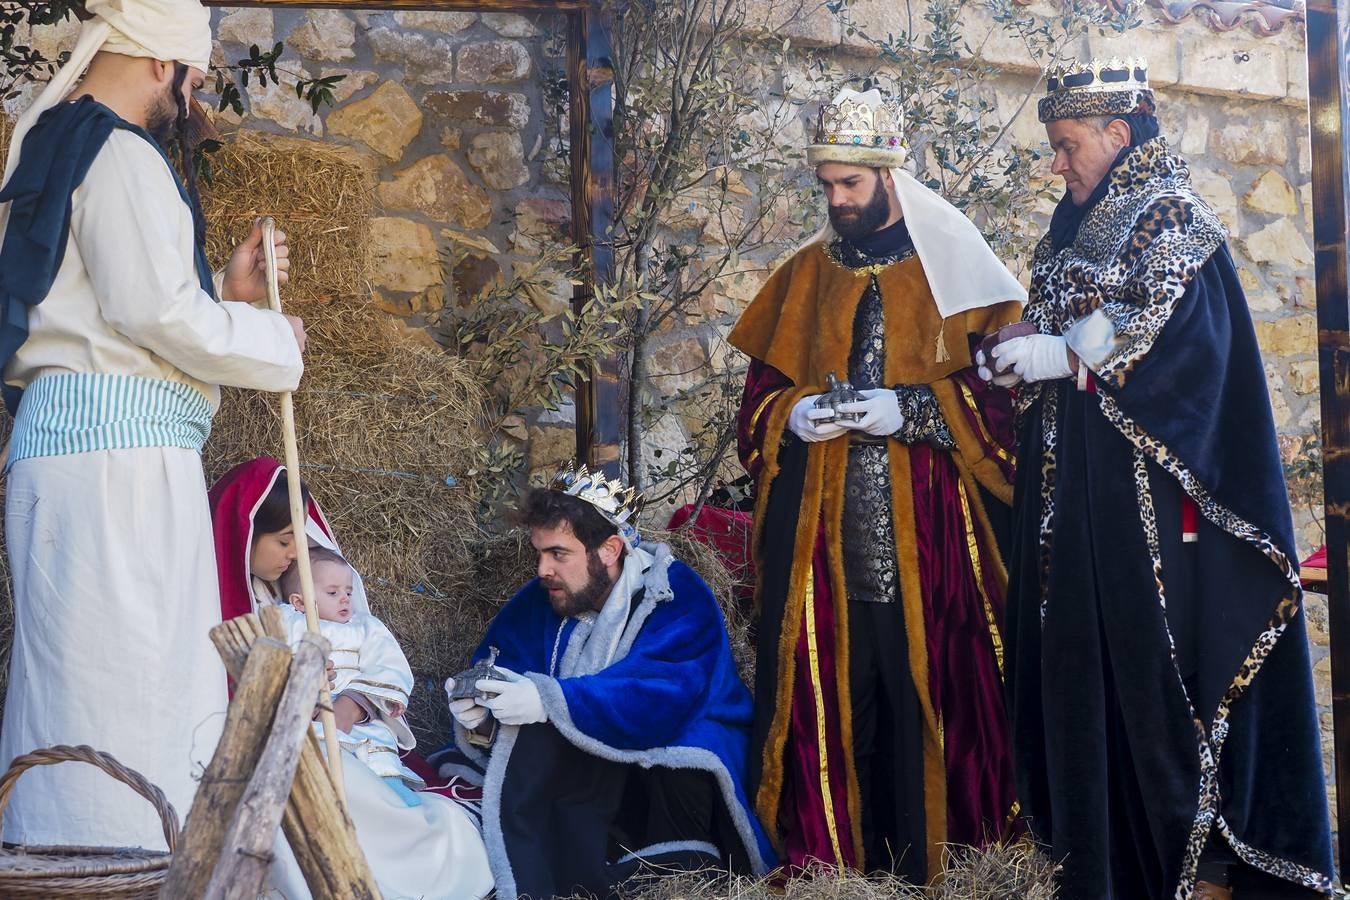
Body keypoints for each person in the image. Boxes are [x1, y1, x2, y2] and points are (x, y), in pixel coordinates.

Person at [990, 57, 1336, 898]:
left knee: (1150, 686)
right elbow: (1061, 324)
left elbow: (1179, 349)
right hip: (1070, 512)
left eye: (1069, 145)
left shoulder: (1175, 219)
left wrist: (1067, 353)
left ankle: (1180, 861)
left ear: (1119, 132)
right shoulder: (1072, 224)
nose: (1059, 162)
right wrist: (1019, 358)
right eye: (1054, 146)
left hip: (1147, 519)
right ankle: (1093, 860)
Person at [0, 0, 308, 848]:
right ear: (157, 64)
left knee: (76, 685)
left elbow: (101, 308)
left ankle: (63, 860)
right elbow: (151, 312)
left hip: (77, 454)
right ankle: (117, 863)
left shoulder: (58, 142)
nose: (191, 96)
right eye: (192, 79)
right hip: (117, 464)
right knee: (125, 689)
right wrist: (272, 336)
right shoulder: (123, 153)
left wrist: (223, 289)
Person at [728, 87, 1026, 879]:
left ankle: (951, 873)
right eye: (826, 185)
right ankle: (839, 874)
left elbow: (1012, 409)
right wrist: (794, 416)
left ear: (891, 178)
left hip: (933, 546)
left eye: (849, 185)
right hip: (823, 548)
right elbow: (755, 404)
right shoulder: (803, 275)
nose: (837, 200)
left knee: (937, 705)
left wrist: (919, 411)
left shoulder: (958, 270)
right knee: (836, 710)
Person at [435, 463, 775, 900]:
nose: (542, 569)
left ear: (611, 549)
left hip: (667, 767)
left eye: (559, 553)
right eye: (539, 553)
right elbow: (499, 663)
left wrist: (551, 700)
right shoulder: (541, 598)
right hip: (587, 776)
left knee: (684, 760)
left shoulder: (676, 597)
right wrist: (481, 720)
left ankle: (673, 868)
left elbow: (663, 696)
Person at [209, 457, 493, 900]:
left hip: (352, 731)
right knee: (325, 781)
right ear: (246, 534)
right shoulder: (246, 605)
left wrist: (355, 700)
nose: (292, 557)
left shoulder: (353, 621)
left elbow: (384, 662)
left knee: (377, 795)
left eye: (298, 544)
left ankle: (414, 874)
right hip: (292, 743)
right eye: (285, 542)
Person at [277, 547, 426, 807]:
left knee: (382, 776)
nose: (345, 599)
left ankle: (402, 811)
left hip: (361, 722)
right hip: (309, 719)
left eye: (348, 591)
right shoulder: (287, 621)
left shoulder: (366, 627)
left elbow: (388, 666)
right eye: (333, 593)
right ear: (299, 602)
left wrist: (358, 702)